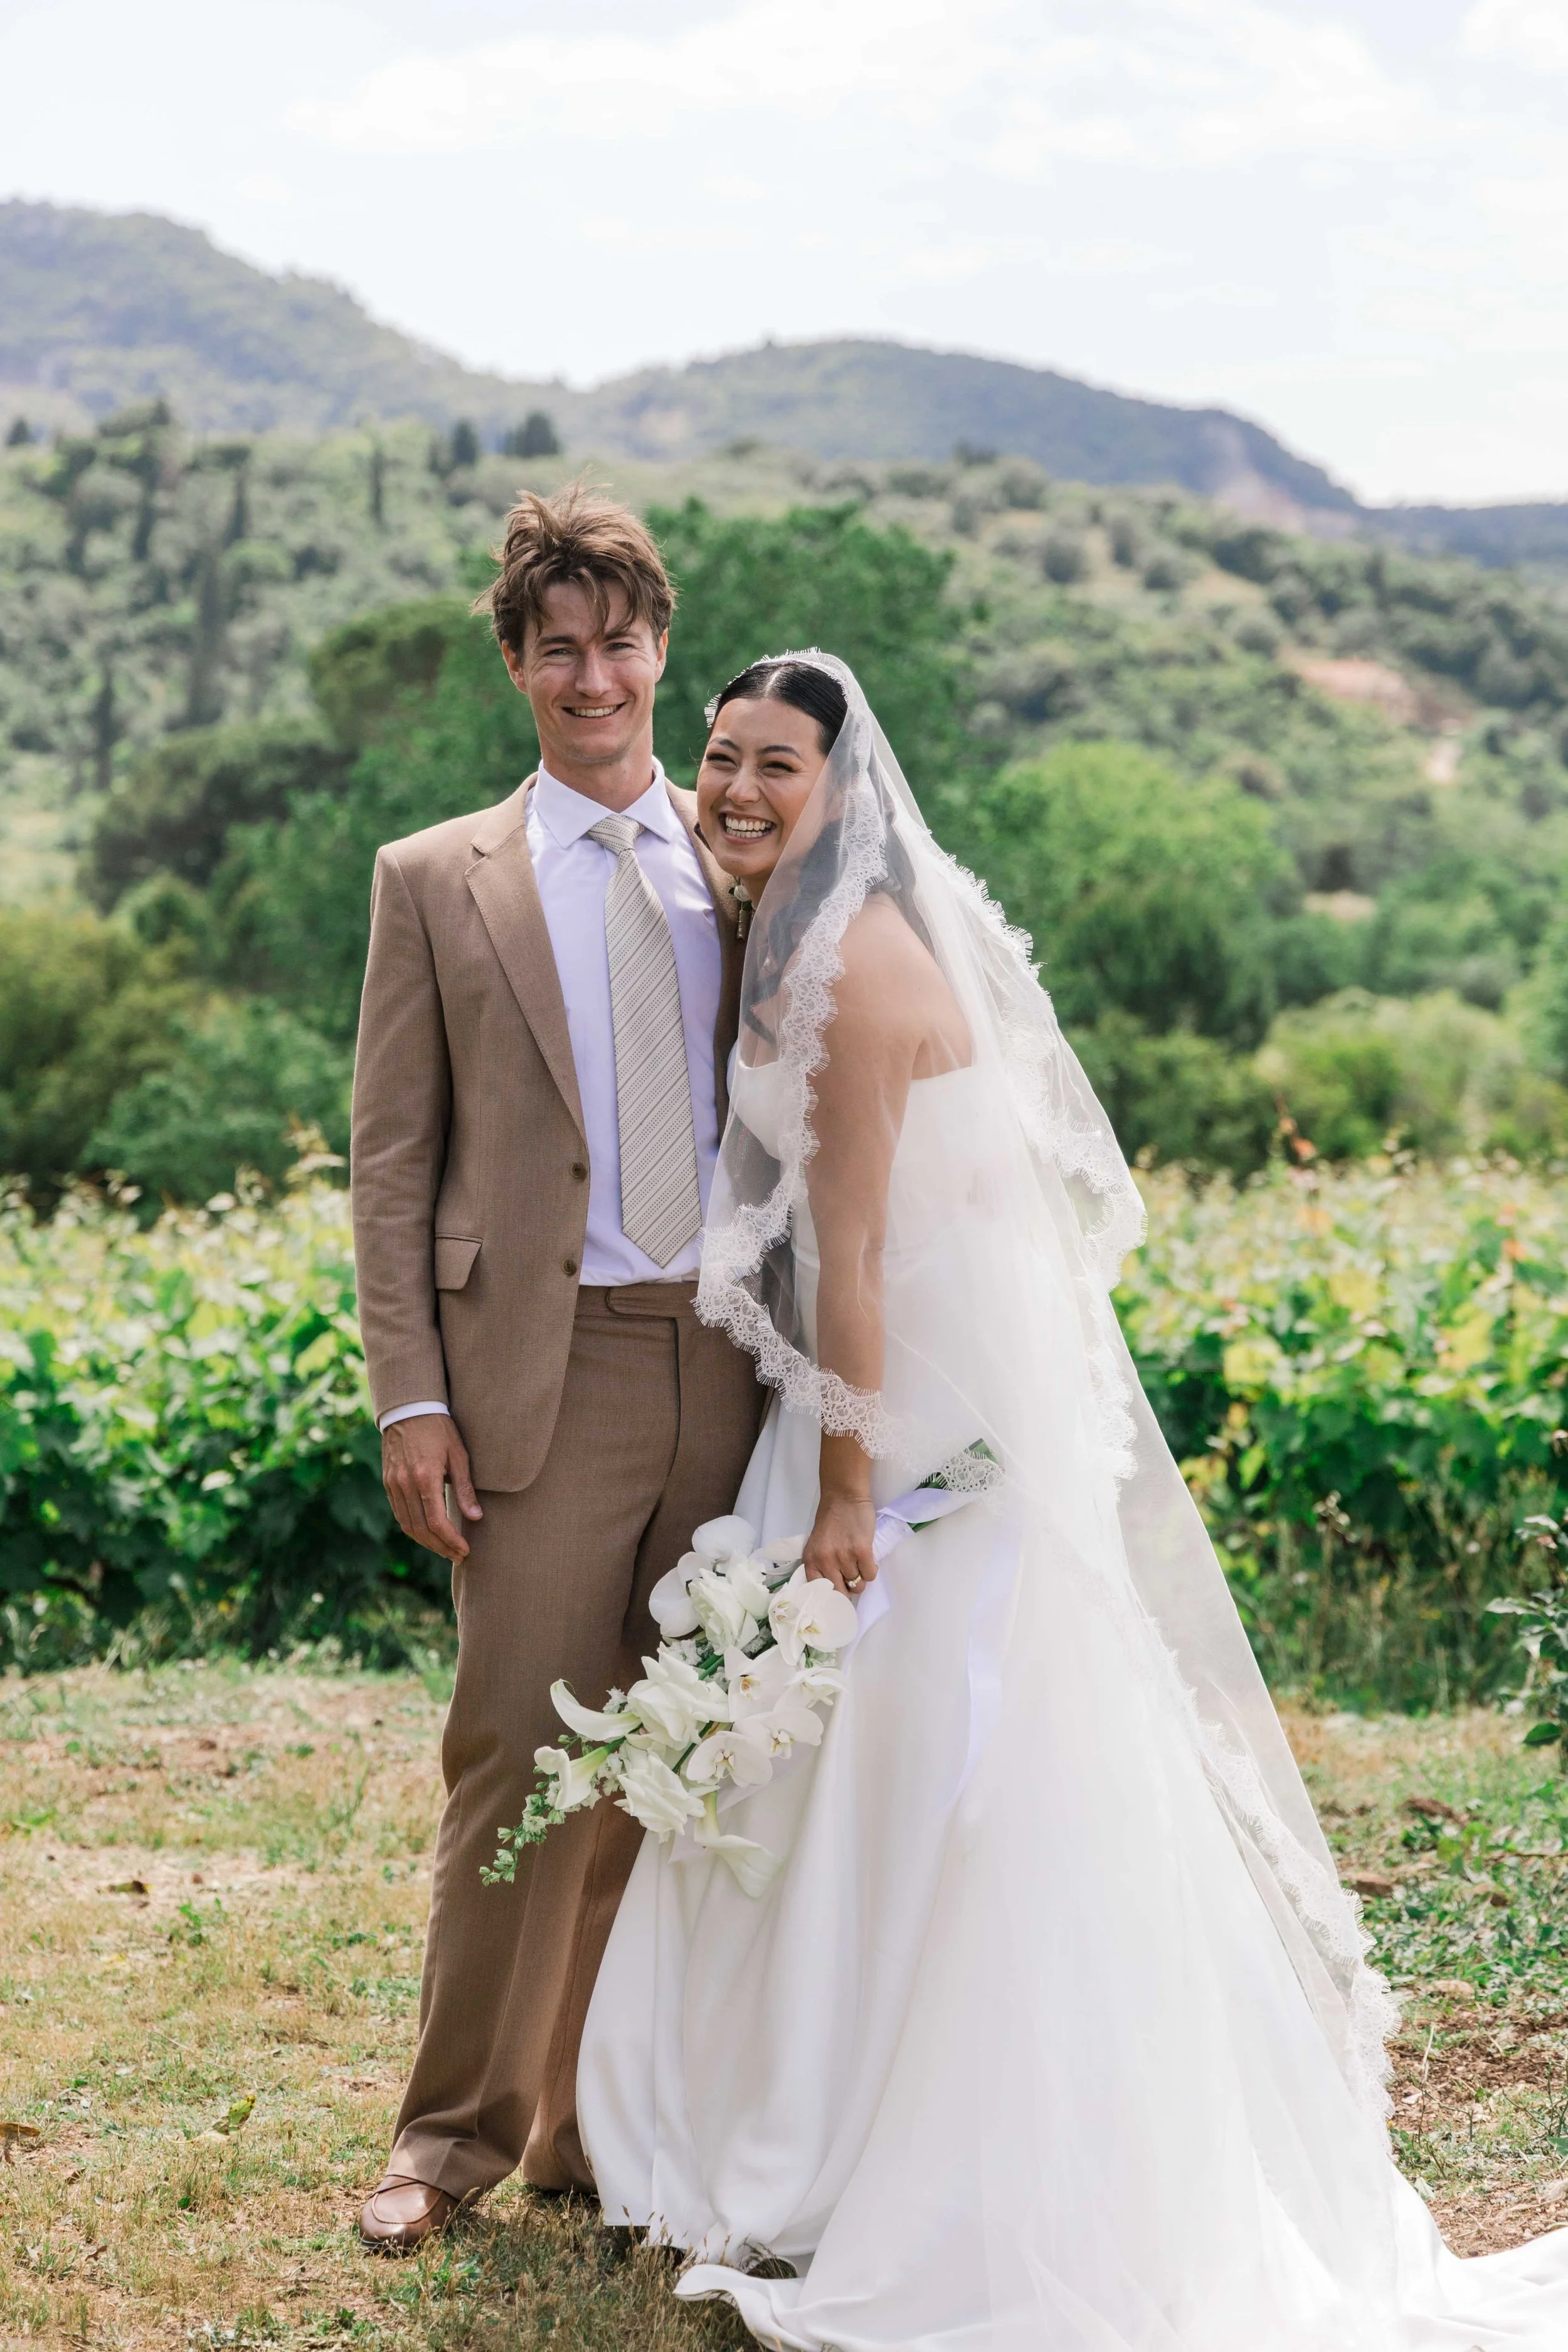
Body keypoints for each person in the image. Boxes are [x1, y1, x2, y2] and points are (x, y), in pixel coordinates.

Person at [577, 650, 1568, 2348]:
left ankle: (871, 2140)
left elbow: (860, 1259)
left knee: (918, 1772)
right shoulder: (816, 925)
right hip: (908, 1422)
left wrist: (839, 1496)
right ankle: (774, 2119)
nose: (734, 788)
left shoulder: (851, 970)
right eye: (719, 759)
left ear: (842, 786)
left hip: (896, 1441)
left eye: (774, 766)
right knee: (861, 1772)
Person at [349, 486, 762, 2251]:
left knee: (687, 1755)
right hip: (541, 1370)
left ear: (659, 648)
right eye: (559, 646)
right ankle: (446, 2133)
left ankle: (598, 2125)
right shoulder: (433, 880)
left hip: (734, 1359)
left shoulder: (749, 858)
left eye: (622, 639)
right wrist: (410, 1393)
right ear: (518, 664)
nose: (595, 673)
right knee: (515, 1748)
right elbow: (390, 1160)